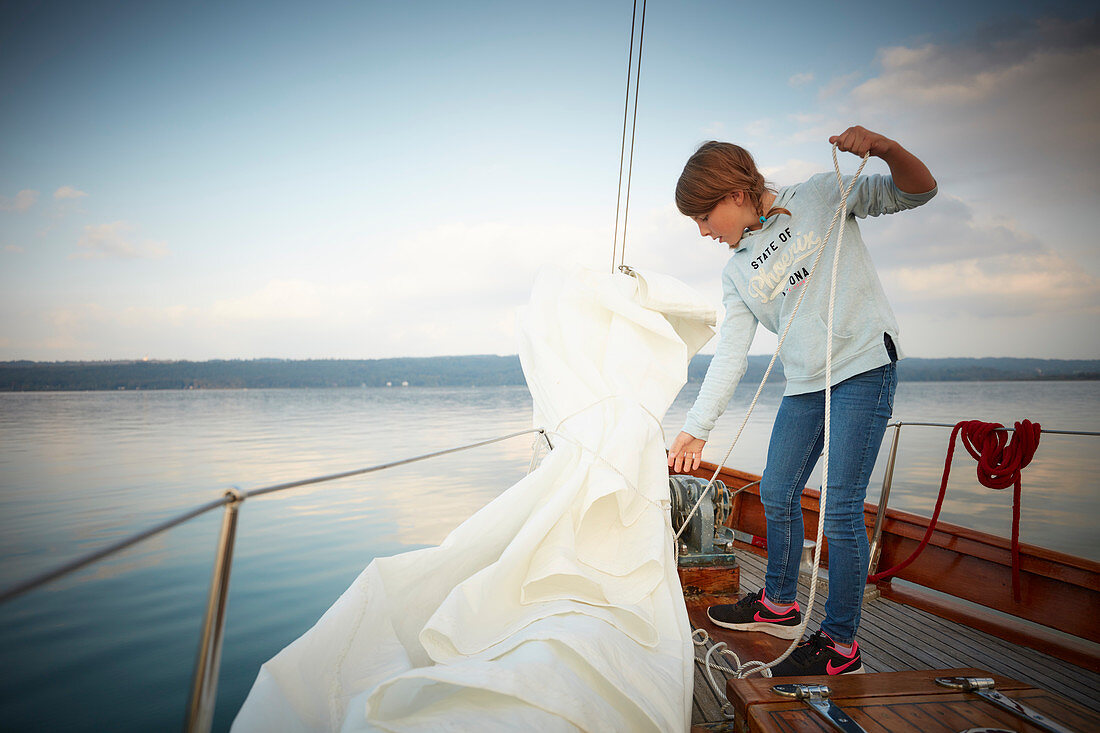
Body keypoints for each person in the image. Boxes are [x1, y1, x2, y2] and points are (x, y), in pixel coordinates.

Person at [667, 126, 936, 676]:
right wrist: (698, 428)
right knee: (776, 490)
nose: (702, 232)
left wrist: (886, 148)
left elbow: (920, 190)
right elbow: (730, 356)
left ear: (735, 195)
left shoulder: (820, 195)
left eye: (702, 217)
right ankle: (781, 605)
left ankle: (841, 647)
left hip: (863, 368)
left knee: (839, 509)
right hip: (806, 383)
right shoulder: (735, 271)